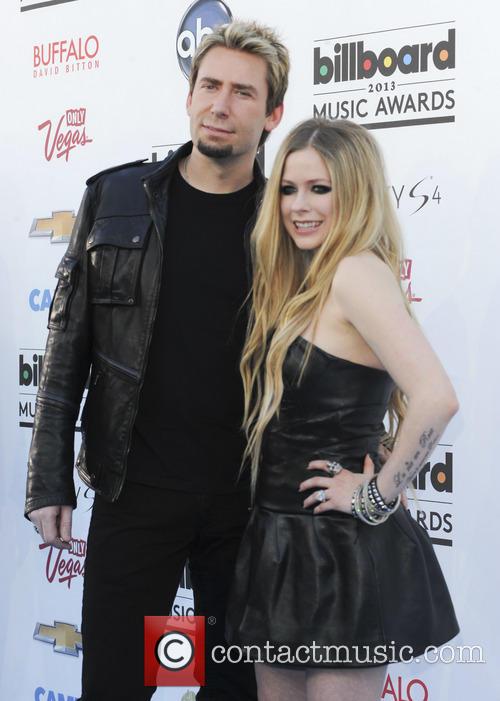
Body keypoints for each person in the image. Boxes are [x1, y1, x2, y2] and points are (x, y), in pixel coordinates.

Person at [24, 20, 289, 701]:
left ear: (273, 113)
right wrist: (47, 476)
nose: (220, 105)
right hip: (134, 493)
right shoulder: (116, 199)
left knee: (234, 691)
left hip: (248, 506)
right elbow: (66, 345)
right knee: (117, 686)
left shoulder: (289, 224)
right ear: (189, 96)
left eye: (242, 93)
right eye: (209, 86)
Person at [226, 118, 460, 701]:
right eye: (288, 189)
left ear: (353, 193)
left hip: (340, 550)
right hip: (279, 540)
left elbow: (435, 397)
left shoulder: (356, 272)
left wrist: (375, 495)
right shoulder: (299, 279)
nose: (299, 206)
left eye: (319, 189)